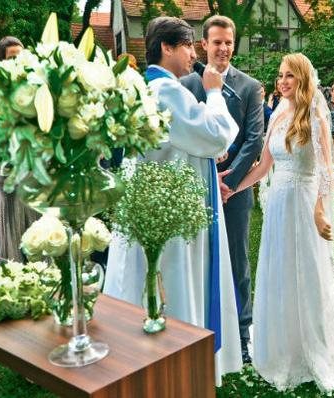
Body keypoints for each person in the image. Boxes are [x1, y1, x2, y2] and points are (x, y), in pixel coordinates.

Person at [104, 16, 242, 384]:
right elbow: (217, 134)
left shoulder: (142, 88)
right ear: (167, 47)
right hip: (172, 209)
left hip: (154, 201)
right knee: (174, 281)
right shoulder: (167, 92)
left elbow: (187, 142)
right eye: (188, 46)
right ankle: (176, 365)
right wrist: (213, 91)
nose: (194, 54)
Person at [227, 52, 334, 392]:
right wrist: (232, 187)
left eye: (289, 76)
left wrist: (318, 209)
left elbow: (327, 170)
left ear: (302, 79)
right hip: (278, 207)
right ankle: (280, 346)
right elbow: (263, 166)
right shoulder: (278, 114)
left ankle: (309, 347)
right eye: (279, 76)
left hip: (303, 202)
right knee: (279, 271)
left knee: (305, 273)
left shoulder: (315, 116)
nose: (282, 82)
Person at [181, 15, 265, 366]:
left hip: (235, 192)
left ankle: (243, 333)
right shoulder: (186, 85)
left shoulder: (249, 87)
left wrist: (229, 183)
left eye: (228, 42)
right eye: (217, 42)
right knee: (196, 258)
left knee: (237, 260)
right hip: (196, 189)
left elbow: (253, 139)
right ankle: (199, 331)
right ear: (204, 44)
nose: (223, 48)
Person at [0, 36, 39, 261]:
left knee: (39, 234)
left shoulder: (36, 89)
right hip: (11, 172)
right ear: (1, 62)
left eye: (21, 57)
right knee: (14, 233)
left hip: (36, 172)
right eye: (12, 58)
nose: (18, 62)